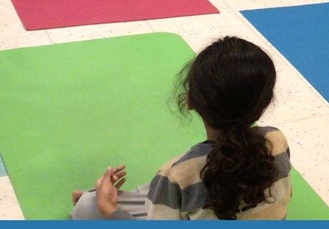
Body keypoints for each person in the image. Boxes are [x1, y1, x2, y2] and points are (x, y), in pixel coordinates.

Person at [70, 36, 292, 220]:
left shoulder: (178, 173)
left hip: (177, 190)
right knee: (170, 190)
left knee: (89, 206)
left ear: (190, 100)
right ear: (263, 104)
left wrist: (106, 206)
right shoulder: (276, 139)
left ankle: (101, 199)